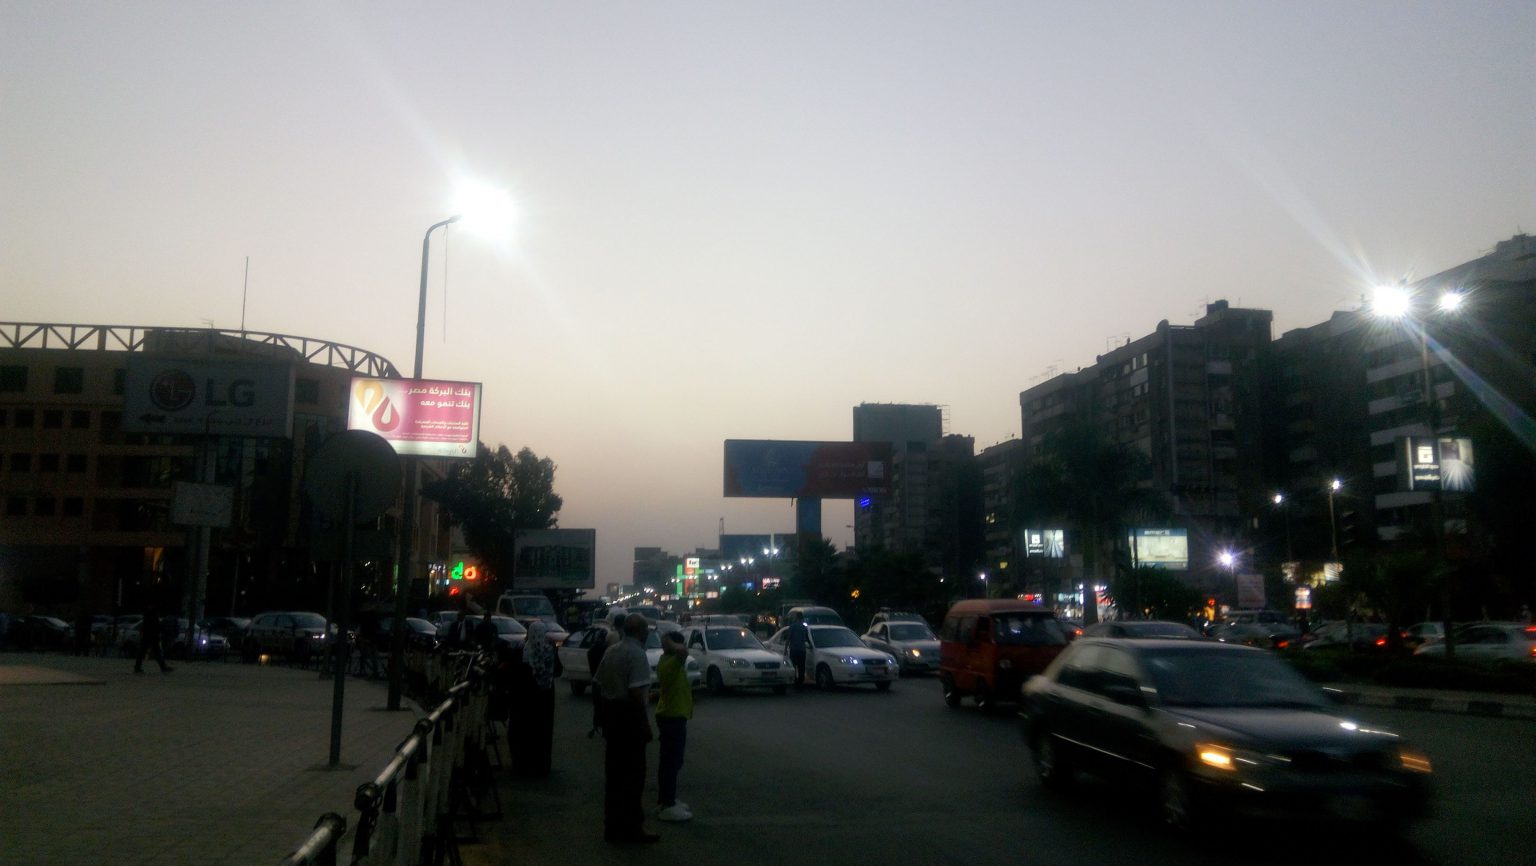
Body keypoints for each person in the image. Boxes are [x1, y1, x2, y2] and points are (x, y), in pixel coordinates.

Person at [592, 613, 658, 844]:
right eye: (646, 630)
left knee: (614, 776)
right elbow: (635, 694)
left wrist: (599, 716)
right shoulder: (637, 654)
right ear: (640, 631)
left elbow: (597, 684)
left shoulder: (612, 651)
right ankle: (632, 828)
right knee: (633, 776)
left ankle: (612, 826)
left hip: (612, 718)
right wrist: (644, 725)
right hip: (629, 720)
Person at [654, 630, 693, 822]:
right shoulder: (670, 662)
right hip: (672, 717)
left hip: (672, 716)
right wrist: (669, 641)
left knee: (670, 762)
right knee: (671, 762)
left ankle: (666, 799)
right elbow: (683, 652)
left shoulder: (668, 661)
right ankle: (667, 805)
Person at [512, 620, 558, 777]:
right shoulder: (549, 650)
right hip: (546, 696)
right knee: (543, 732)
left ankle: (523, 764)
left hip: (525, 697)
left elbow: (516, 673)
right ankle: (541, 765)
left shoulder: (523, 650)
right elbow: (557, 670)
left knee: (524, 731)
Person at [134, 602, 172, 674]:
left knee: (144, 652)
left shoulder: (148, 615)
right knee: (153, 652)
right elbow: (155, 626)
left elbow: (150, 626)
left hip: (148, 637)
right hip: (151, 637)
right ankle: (163, 667)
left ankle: (137, 667)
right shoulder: (152, 616)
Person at [785, 610, 810, 688]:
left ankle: (795, 681)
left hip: (794, 649)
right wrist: (810, 645)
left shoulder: (792, 626)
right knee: (801, 667)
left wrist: (785, 649)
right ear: (802, 618)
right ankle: (800, 681)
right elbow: (807, 638)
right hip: (802, 650)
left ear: (796, 617)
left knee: (793, 666)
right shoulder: (804, 627)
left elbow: (788, 638)